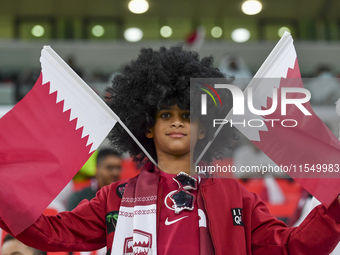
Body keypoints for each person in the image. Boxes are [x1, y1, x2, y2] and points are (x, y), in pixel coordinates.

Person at [0, 45, 340, 255]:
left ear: (204, 125)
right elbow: (50, 234)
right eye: (166, 114)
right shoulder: (114, 198)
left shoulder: (237, 196)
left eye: (187, 115)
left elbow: (292, 248)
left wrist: (336, 209)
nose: (177, 123)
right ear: (147, 125)